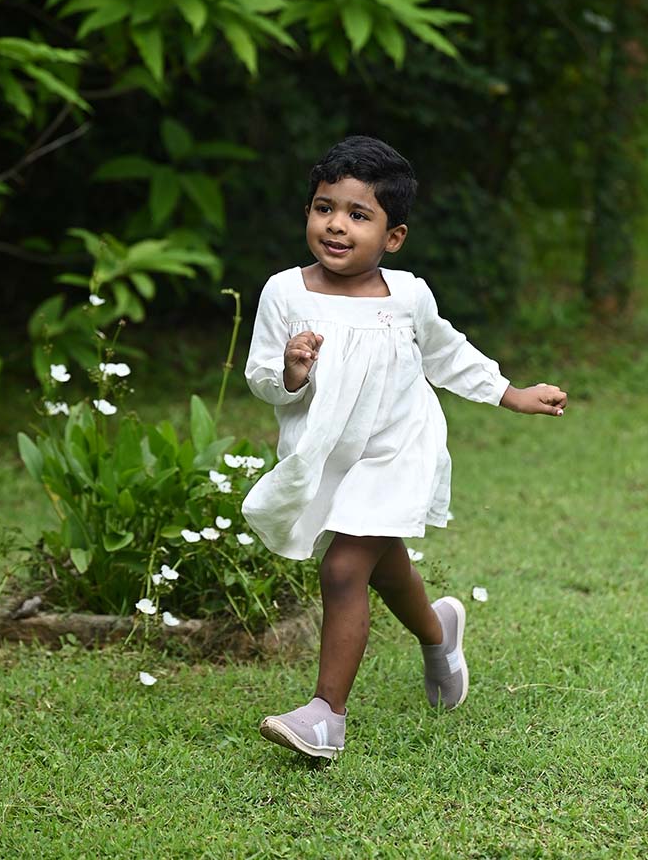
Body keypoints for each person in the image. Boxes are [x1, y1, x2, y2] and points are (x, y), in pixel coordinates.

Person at [242, 135, 567, 760]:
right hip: (330, 457)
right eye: (324, 208)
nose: (336, 225)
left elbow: (446, 353)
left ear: (393, 237)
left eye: (358, 215)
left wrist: (510, 393)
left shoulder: (408, 296)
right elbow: (262, 380)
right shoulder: (284, 292)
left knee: (343, 568)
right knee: (383, 564)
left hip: (398, 450)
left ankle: (325, 716)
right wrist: (290, 371)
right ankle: (438, 631)